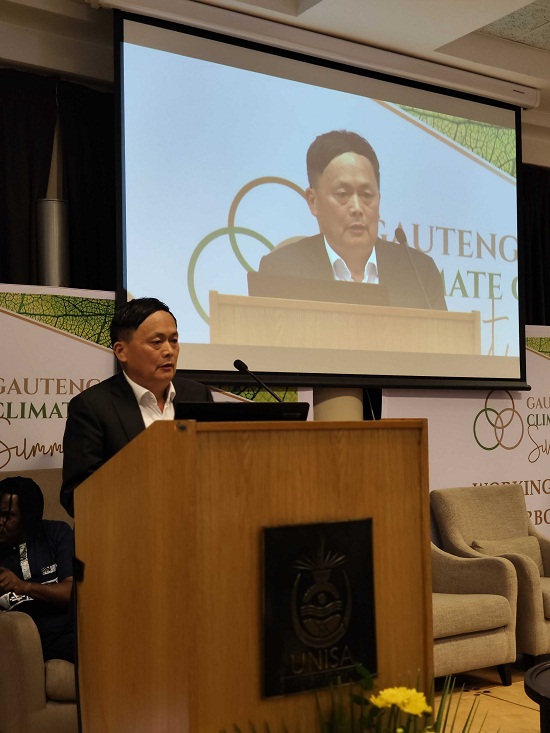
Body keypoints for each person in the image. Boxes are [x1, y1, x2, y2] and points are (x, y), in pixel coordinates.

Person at [257, 130, 447, 310]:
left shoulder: (419, 274)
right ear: (313, 201)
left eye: (366, 195)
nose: (357, 208)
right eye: (342, 194)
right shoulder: (281, 270)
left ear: (379, 200)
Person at [60, 297, 212, 516]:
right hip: (124, 530)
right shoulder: (92, 406)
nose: (169, 351)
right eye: (157, 342)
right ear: (121, 351)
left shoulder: (198, 395)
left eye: (174, 340)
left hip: (191, 525)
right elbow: (76, 497)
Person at [0, 476, 74, 663]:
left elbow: (70, 593)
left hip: (67, 631)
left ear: (28, 516)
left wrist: (24, 587)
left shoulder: (56, 533)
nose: (0, 522)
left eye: (7, 515)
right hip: (22, 639)